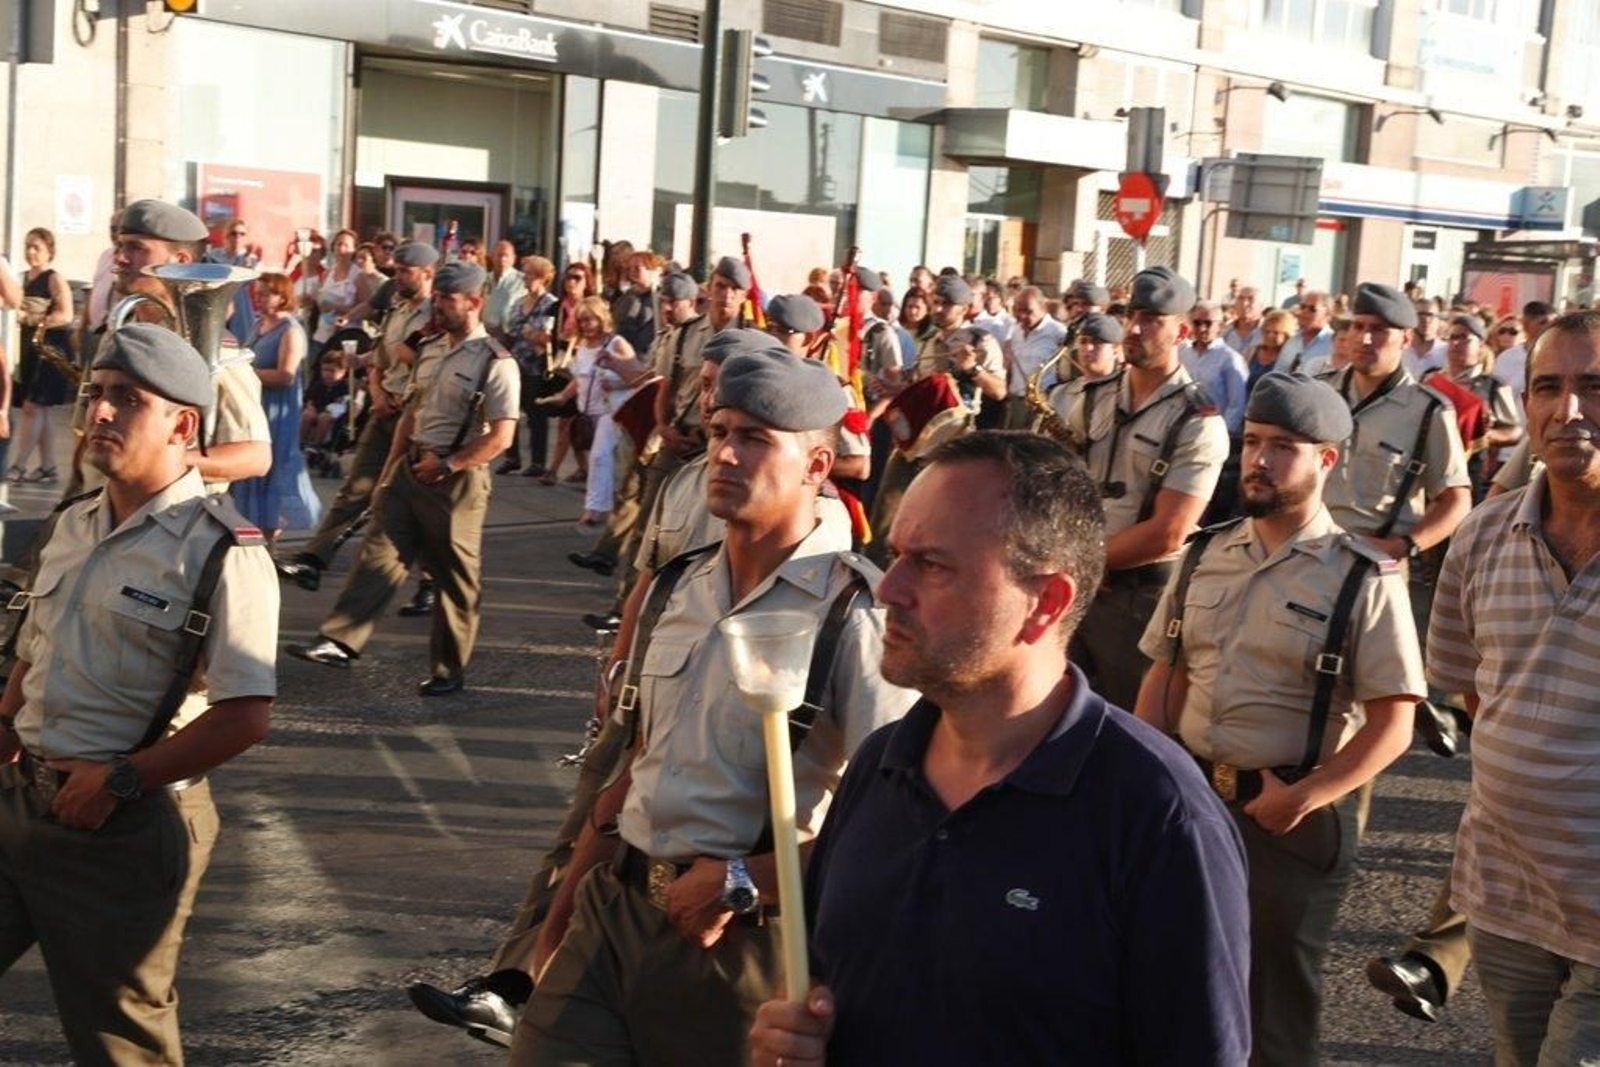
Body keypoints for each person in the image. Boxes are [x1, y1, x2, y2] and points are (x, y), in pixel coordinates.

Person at [748, 430, 1250, 1067]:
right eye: (895, 555)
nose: (888, 588)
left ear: (1045, 603)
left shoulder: (1157, 813)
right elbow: (822, 981)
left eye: (932, 565)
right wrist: (791, 1035)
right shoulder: (880, 763)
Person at [508, 347, 915, 1065]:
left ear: (818, 465)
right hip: (615, 909)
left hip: (740, 942)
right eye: (721, 430)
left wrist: (741, 880)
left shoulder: (855, 616)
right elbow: (640, 763)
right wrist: (566, 906)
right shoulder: (678, 586)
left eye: (755, 438)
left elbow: (901, 820)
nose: (724, 453)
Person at [0, 324, 278, 1063]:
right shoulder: (74, 520)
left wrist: (121, 779)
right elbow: (34, 647)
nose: (98, 411)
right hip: (20, 799)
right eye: (97, 393)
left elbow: (245, 715)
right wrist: (4, 724)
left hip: (123, 824)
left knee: (119, 1040)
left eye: (127, 399)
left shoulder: (223, 550)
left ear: (183, 427)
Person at [1135, 373, 1424, 1066]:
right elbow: (1167, 673)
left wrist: (1303, 797)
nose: (1258, 460)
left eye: (1283, 447)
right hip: (1194, 804)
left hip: (1288, 821)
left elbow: (1394, 723)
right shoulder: (1205, 553)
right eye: (1254, 442)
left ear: (1327, 460)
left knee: (1272, 1021)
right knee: (1170, 991)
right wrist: (1149, 776)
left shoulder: (1361, 576)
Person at [1423, 309, 1600, 1065]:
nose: (1569, 410)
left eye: (1595, 386)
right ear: (1525, 404)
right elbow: (1475, 691)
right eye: (1549, 388)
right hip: (1504, 893)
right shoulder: (1483, 534)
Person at [287, 261, 518, 694]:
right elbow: (412, 414)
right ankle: (340, 640)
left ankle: (449, 669)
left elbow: (501, 437)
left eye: (448, 299)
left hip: (456, 481)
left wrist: (449, 465)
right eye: (437, 297)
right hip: (410, 469)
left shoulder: (496, 362)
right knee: (378, 553)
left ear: (474, 302)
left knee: (455, 577)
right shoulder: (430, 348)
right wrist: (389, 473)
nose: (438, 306)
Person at [1063, 266, 1229, 710]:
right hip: (1077, 584)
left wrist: (1088, 563)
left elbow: (1170, 531)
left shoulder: (1197, 421)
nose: (1134, 328)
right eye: (1132, 315)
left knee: (1126, 721)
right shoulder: (1094, 397)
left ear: (1182, 331)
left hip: (1139, 600)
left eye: (1152, 320)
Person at [1321, 283, 1471, 753]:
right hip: (1308, 557)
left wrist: (1403, 546)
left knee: (1361, 709)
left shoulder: (1428, 411)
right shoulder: (1319, 393)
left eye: (1380, 331)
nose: (1364, 339)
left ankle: (1346, 799)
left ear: (1406, 338)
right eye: (1358, 327)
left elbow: (1456, 499)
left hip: (1376, 567)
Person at [276, 241, 438, 590]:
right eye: (396, 270)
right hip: (385, 411)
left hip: (420, 419)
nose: (397, 277)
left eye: (405, 271)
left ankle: (431, 581)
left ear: (427, 273)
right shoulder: (397, 308)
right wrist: (370, 380)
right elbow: (381, 359)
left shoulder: (437, 316)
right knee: (355, 489)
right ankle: (313, 559)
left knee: (419, 502)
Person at [538, 296, 648, 526]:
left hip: (613, 409)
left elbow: (641, 376)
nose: (586, 325)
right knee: (605, 458)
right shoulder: (582, 347)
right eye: (581, 320)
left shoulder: (616, 344)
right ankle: (610, 505)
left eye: (590, 320)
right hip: (589, 411)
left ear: (601, 319)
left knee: (599, 455)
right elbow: (580, 378)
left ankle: (595, 509)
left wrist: (617, 383)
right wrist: (563, 396)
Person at [230, 273, 323, 545]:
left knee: (274, 469)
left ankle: (271, 535)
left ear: (282, 297)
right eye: (256, 293)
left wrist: (245, 374)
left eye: (265, 294)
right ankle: (256, 531)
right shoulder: (258, 324)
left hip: (277, 410)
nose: (258, 298)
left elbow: (286, 376)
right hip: (256, 406)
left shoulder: (290, 330)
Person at [11, 227, 74, 484]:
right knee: (42, 411)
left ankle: (19, 465)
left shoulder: (54, 278)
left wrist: (33, 319)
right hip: (29, 350)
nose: (31, 252)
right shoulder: (22, 279)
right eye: (28, 247)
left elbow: (66, 315)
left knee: (32, 408)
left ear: (49, 251)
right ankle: (49, 468)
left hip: (50, 349)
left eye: (37, 247)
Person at [1443, 314, 1524, 499]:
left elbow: (1514, 431)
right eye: (1452, 337)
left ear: (1480, 345)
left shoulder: (1494, 386)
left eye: (1464, 338)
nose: (1456, 343)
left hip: (1470, 472)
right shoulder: (1431, 380)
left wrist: (1481, 436)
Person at [500, 254, 559, 476]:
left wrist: (531, 334)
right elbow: (511, 331)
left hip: (536, 367)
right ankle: (512, 456)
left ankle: (537, 462)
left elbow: (548, 337)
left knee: (536, 414)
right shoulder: (519, 302)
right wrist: (530, 334)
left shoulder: (550, 304)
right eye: (524, 274)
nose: (525, 278)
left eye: (530, 274)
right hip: (515, 364)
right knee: (510, 410)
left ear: (542, 277)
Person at [1002, 285, 1068, 429]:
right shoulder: (1015, 330)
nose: (1022, 316)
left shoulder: (1059, 333)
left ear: (1043, 307)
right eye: (1018, 310)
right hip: (1017, 402)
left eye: (1028, 311)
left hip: (1043, 403)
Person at [1274, 290, 1334, 375]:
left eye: (1312, 309)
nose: (1305, 311)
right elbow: (1277, 374)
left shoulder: (1334, 344)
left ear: (1327, 314)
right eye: (1302, 307)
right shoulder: (1292, 341)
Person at [482, 239, 526, 342]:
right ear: (492, 257)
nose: (502, 259)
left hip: (509, 336)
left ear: (514, 258)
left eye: (506, 255)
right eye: (499, 255)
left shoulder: (522, 281)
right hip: (484, 334)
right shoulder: (484, 279)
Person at [1249, 309, 1295, 393]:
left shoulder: (1290, 358)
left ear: (1286, 335)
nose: (1270, 336)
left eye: (1276, 333)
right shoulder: (1252, 352)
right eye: (1267, 332)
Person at [1402, 298, 1448, 378]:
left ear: (1438, 320)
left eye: (1430, 315)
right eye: (1420, 314)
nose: (1426, 320)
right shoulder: (1400, 349)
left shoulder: (1447, 352)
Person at [1223, 285, 1263, 360]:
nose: (1244, 303)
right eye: (1240, 298)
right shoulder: (1224, 332)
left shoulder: (1267, 332)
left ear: (1261, 306)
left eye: (1251, 299)